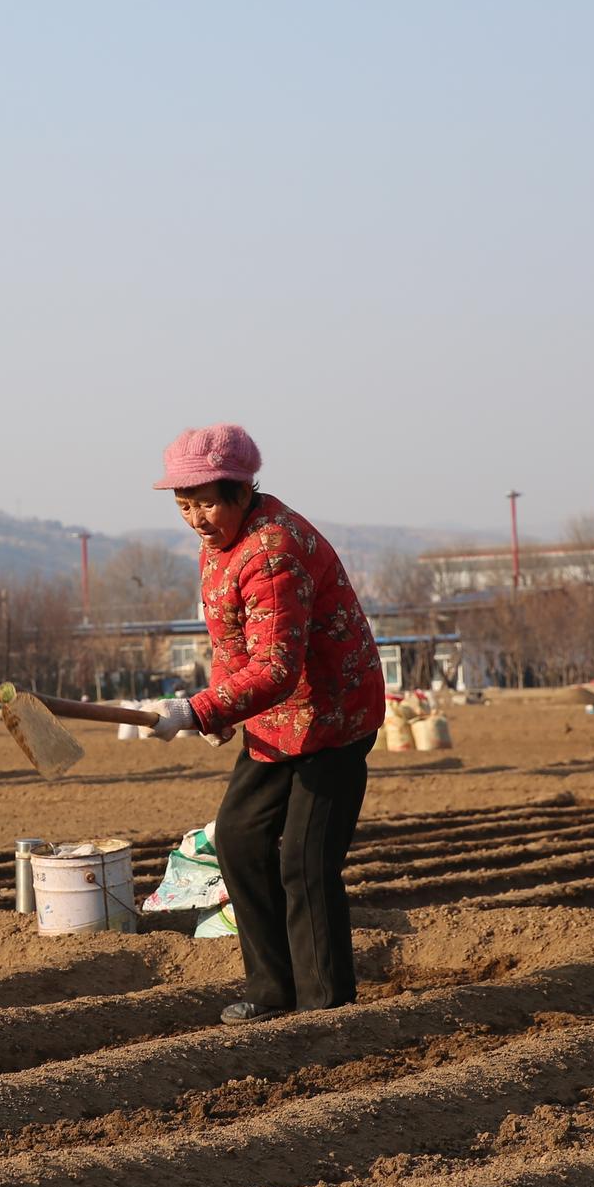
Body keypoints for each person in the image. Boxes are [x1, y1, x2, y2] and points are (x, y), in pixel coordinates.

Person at [144, 424, 385, 1025]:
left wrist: (200, 708)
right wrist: (221, 706)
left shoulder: (272, 551)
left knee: (304, 860)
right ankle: (272, 989)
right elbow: (231, 640)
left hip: (332, 715)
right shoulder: (219, 548)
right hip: (276, 717)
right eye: (184, 506)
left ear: (241, 491)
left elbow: (276, 666)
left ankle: (326, 1004)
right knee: (239, 837)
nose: (196, 519)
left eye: (206, 503)